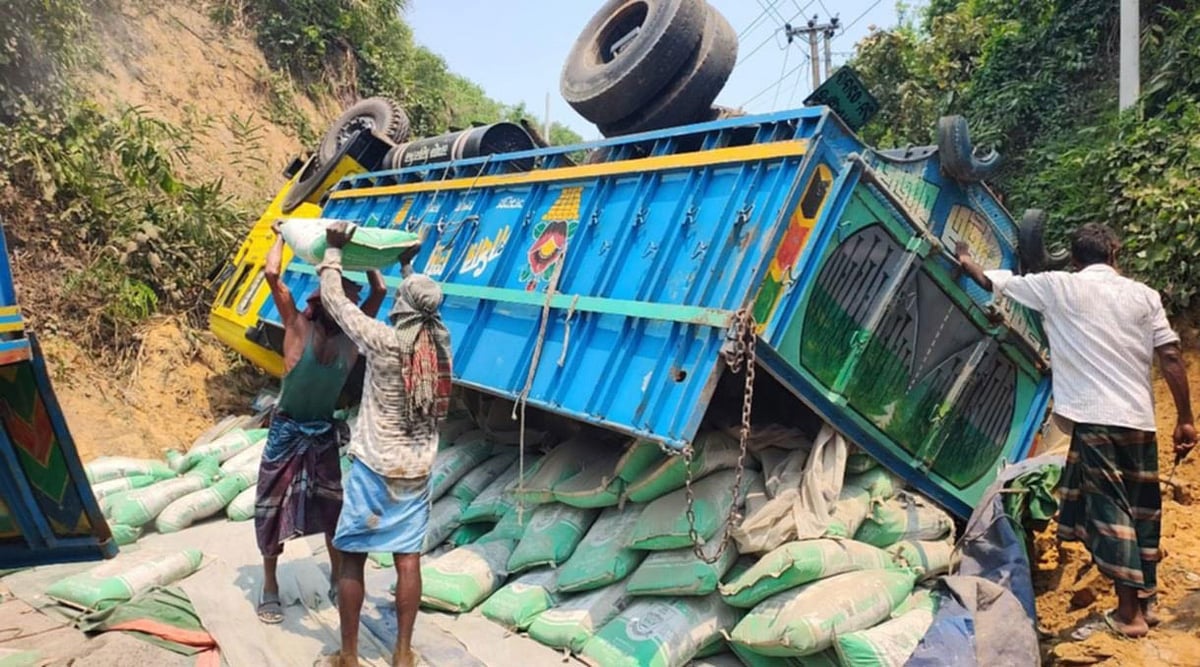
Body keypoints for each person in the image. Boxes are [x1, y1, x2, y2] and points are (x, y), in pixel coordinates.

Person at [957, 223, 1195, 638]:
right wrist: (1186, 418)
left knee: (1110, 511)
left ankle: (1129, 616)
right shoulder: (1145, 295)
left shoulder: (1058, 286)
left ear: (1074, 259)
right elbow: (1171, 356)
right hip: (1139, 419)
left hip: (1094, 417)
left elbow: (990, 281)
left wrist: (964, 257)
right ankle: (1147, 603)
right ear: (1115, 254)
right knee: (1142, 508)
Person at [316, 222, 452, 667]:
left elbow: (337, 303)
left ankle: (349, 656)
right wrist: (407, 266)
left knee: (352, 556)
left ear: (402, 306)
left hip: (376, 466)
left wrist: (333, 252)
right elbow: (419, 299)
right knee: (407, 559)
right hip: (417, 469)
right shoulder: (439, 344)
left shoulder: (383, 341)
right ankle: (403, 653)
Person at [255, 220, 387, 624]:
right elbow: (272, 274)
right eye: (344, 300)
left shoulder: (352, 337)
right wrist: (280, 234)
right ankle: (270, 586)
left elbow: (380, 291)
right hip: (287, 430)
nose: (350, 307)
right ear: (326, 300)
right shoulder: (298, 326)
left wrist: (370, 256)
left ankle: (336, 575)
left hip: (323, 432)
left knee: (332, 508)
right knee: (271, 509)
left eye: (351, 302)